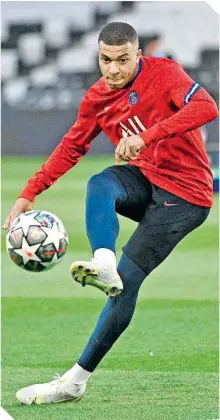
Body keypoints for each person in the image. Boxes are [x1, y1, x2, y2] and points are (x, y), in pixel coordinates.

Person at [2, 22, 218, 405]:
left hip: (187, 195)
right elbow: (71, 147)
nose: (113, 69)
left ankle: (73, 382)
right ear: (98, 57)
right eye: (105, 59)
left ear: (138, 55)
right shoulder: (97, 98)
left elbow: (207, 107)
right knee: (100, 184)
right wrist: (29, 192)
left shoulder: (165, 73)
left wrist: (145, 136)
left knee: (127, 282)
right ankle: (103, 261)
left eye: (122, 60)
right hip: (147, 178)